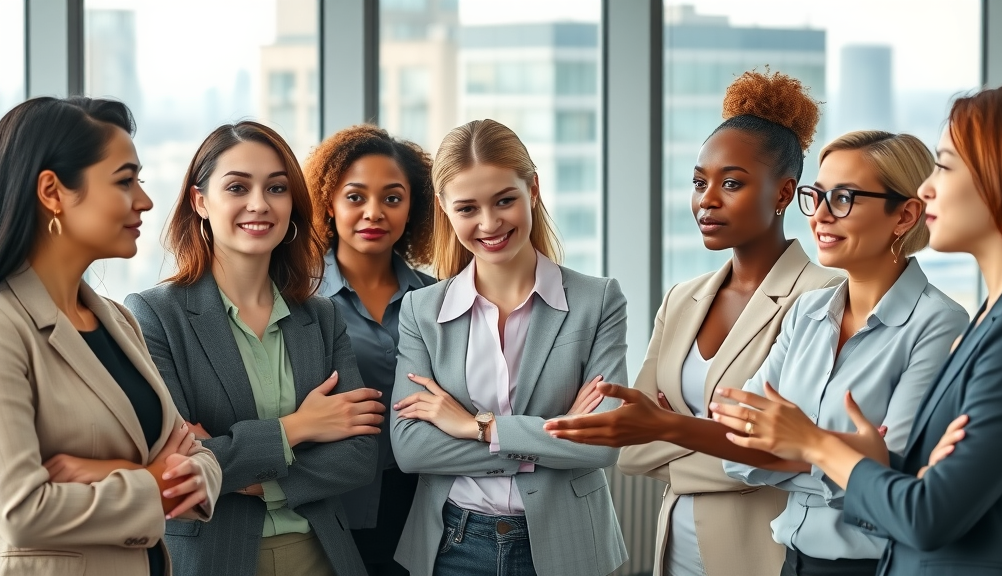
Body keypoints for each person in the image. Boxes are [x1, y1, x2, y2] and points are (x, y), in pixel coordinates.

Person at [547, 128, 968, 575]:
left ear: (904, 216)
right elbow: (742, 445)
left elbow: (892, 476)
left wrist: (794, 446)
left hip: (873, 564)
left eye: (843, 198)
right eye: (817, 196)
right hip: (794, 559)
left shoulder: (939, 323)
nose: (821, 216)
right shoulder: (808, 312)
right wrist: (665, 423)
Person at [710, 83, 1002, 576]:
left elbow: (924, 510)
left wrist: (813, 443)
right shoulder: (991, 315)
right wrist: (890, 468)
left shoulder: (979, 324)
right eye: (819, 195)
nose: (926, 188)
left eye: (943, 165)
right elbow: (742, 452)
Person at [125, 121, 378, 576]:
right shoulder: (155, 315)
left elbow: (358, 457)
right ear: (200, 202)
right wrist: (299, 427)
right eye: (238, 187)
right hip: (213, 559)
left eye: (276, 188)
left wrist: (251, 478)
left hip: (322, 555)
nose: (259, 204)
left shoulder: (321, 317)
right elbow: (177, 466)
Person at [616, 70, 840, 576]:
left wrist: (671, 433)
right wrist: (725, 443)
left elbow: (790, 456)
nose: (706, 200)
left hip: (762, 557)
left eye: (731, 183)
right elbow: (631, 452)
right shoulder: (681, 299)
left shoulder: (823, 296)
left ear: (784, 194)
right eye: (699, 182)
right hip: (674, 552)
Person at [389, 119, 628, 576]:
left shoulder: (596, 301)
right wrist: (550, 439)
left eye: (505, 200)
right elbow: (413, 449)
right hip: (453, 544)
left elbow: (602, 442)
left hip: (568, 540)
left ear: (533, 189)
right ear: (443, 207)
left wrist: (477, 427)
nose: (489, 223)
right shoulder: (421, 311)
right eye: (467, 208)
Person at [0, 96, 220, 576]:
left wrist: (127, 477)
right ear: (53, 191)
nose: (144, 199)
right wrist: (152, 484)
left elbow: (198, 457)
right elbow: (19, 513)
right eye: (125, 180)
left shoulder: (118, 321)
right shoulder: (6, 327)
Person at [305, 124, 434, 576]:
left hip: (424, 506)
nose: (374, 212)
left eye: (392, 198)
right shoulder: (296, 297)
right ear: (329, 203)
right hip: (326, 507)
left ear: (411, 208)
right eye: (356, 196)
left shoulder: (438, 298)